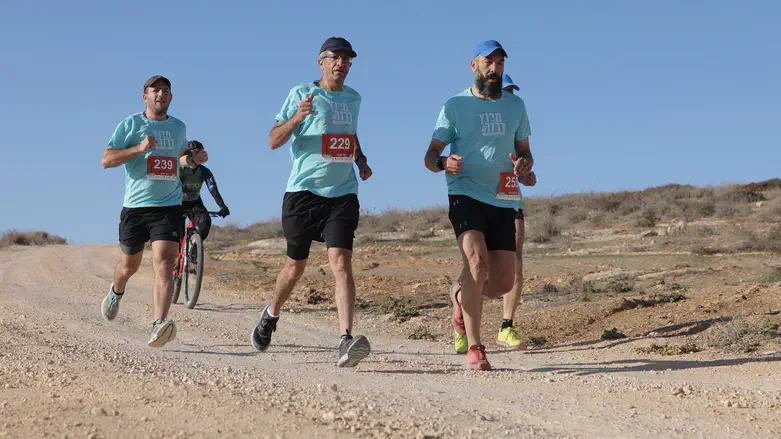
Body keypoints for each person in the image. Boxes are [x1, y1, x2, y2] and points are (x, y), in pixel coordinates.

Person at [251, 37, 374, 368]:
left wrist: (360, 159)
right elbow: (274, 140)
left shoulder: (353, 98)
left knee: (342, 263)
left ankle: (346, 340)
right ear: (321, 62)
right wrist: (296, 119)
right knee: (295, 267)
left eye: (347, 59)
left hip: (342, 193)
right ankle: (271, 314)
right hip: (304, 193)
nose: (342, 63)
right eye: (335, 57)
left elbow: (350, 133)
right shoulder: (301, 94)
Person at [424, 41, 535, 370]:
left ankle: (460, 297)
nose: (495, 68)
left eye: (501, 62)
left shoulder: (516, 106)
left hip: (504, 197)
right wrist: (444, 163)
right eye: (489, 61)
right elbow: (430, 156)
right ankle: (476, 347)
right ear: (474, 64)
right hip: (466, 193)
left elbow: (525, 152)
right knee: (476, 264)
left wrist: (525, 166)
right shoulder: (456, 105)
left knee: (502, 282)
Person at [100, 75, 208, 348]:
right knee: (129, 265)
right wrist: (139, 148)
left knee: (164, 262)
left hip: (168, 206)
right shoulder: (131, 124)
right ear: (145, 97)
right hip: (136, 207)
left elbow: (180, 155)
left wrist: (193, 159)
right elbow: (107, 160)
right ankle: (117, 290)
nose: (160, 94)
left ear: (171, 97)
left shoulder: (178, 126)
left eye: (165, 91)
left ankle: (159, 324)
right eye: (155, 90)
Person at [445, 72, 537, 354]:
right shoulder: (472, 119)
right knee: (474, 264)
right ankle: (471, 315)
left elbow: (526, 165)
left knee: (511, 267)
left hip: (508, 199)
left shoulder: (514, 120)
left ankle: (499, 321)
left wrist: (528, 175)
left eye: (510, 92)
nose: (505, 97)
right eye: (504, 91)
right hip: (474, 197)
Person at [179, 140, 230, 251]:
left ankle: (194, 248)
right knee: (177, 232)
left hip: (195, 203)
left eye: (199, 152)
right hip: (177, 203)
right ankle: (176, 257)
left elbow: (213, 190)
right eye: (194, 153)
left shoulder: (205, 171)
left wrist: (222, 206)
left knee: (205, 222)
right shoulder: (179, 169)